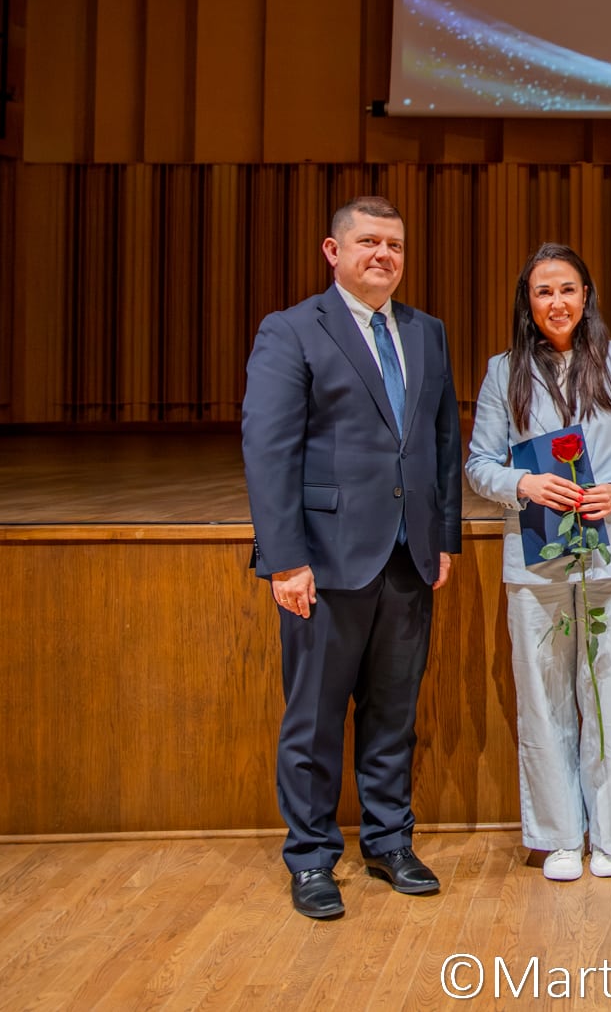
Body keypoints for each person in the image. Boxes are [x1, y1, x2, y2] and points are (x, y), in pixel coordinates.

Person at [241, 196, 462, 920]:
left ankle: (389, 841)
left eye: (394, 244)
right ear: (333, 251)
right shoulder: (292, 330)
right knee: (313, 716)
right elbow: (269, 451)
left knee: (393, 712)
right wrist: (284, 559)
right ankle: (310, 856)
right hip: (325, 561)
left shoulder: (426, 331)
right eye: (368, 241)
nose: (383, 255)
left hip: (408, 555)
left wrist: (444, 536)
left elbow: (439, 443)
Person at [466, 244, 611, 882]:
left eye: (569, 290)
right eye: (544, 291)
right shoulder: (503, 372)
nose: (557, 303)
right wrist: (522, 486)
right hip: (536, 559)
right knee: (544, 697)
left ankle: (609, 836)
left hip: (610, 554)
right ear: (528, 301)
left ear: (586, 297)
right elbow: (478, 465)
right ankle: (558, 837)